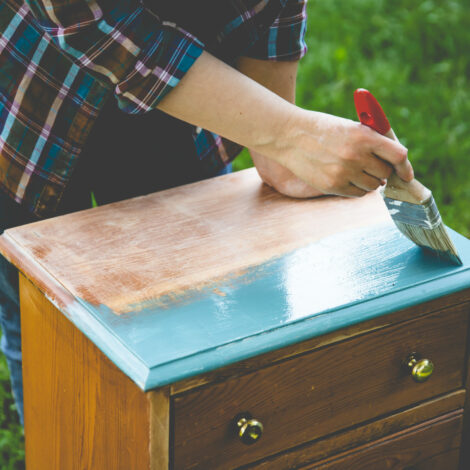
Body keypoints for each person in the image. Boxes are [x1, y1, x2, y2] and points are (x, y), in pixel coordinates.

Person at [0, 0, 413, 425]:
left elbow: (276, 16)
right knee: (41, 323)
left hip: (185, 105)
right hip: (35, 96)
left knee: (183, 313)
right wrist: (290, 133)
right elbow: (85, 18)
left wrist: (284, 148)